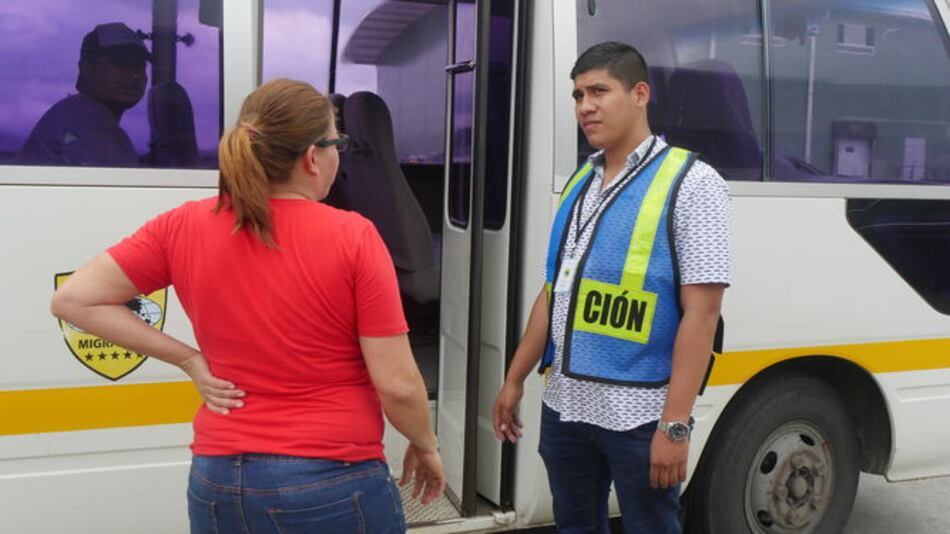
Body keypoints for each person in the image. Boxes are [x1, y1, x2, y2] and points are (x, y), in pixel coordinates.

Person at [51, 78, 445, 533]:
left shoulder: (182, 225)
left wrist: (189, 360)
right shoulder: (353, 236)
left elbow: (73, 299)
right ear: (312, 157)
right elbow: (397, 384)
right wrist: (425, 443)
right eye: (337, 143)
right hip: (328, 479)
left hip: (217, 480)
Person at [492, 42, 731, 533]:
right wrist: (514, 379)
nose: (585, 106)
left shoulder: (694, 182)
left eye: (599, 91)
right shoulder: (581, 181)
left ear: (639, 94)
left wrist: (675, 425)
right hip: (566, 406)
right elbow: (554, 291)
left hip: (639, 414)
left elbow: (703, 314)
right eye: (578, 95)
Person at [18, 22, 197, 167]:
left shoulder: (81, 117)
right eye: (121, 64)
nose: (135, 76)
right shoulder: (84, 123)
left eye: (139, 66)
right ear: (87, 69)